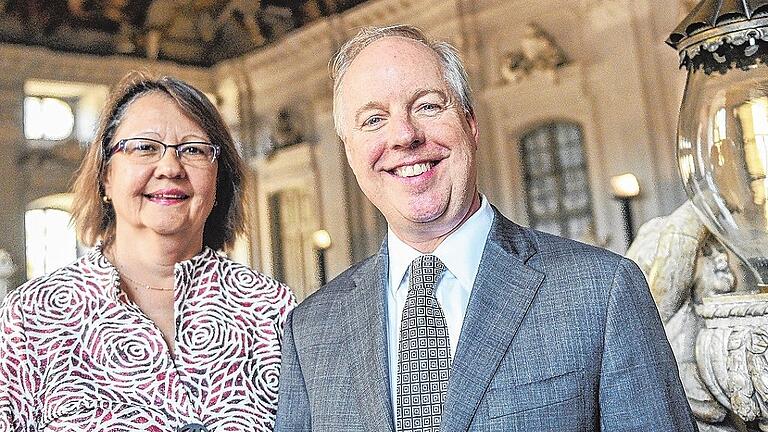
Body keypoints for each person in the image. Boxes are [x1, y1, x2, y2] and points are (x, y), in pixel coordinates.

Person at [275, 25, 697, 431]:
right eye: (372, 120)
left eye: (427, 106)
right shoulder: (310, 330)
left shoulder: (602, 290)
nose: (404, 136)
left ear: (471, 126)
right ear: (350, 152)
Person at [0, 72, 295, 431]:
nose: (170, 168)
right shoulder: (29, 319)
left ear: (219, 180)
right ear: (106, 175)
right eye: (144, 147)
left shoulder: (273, 310)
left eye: (194, 150)